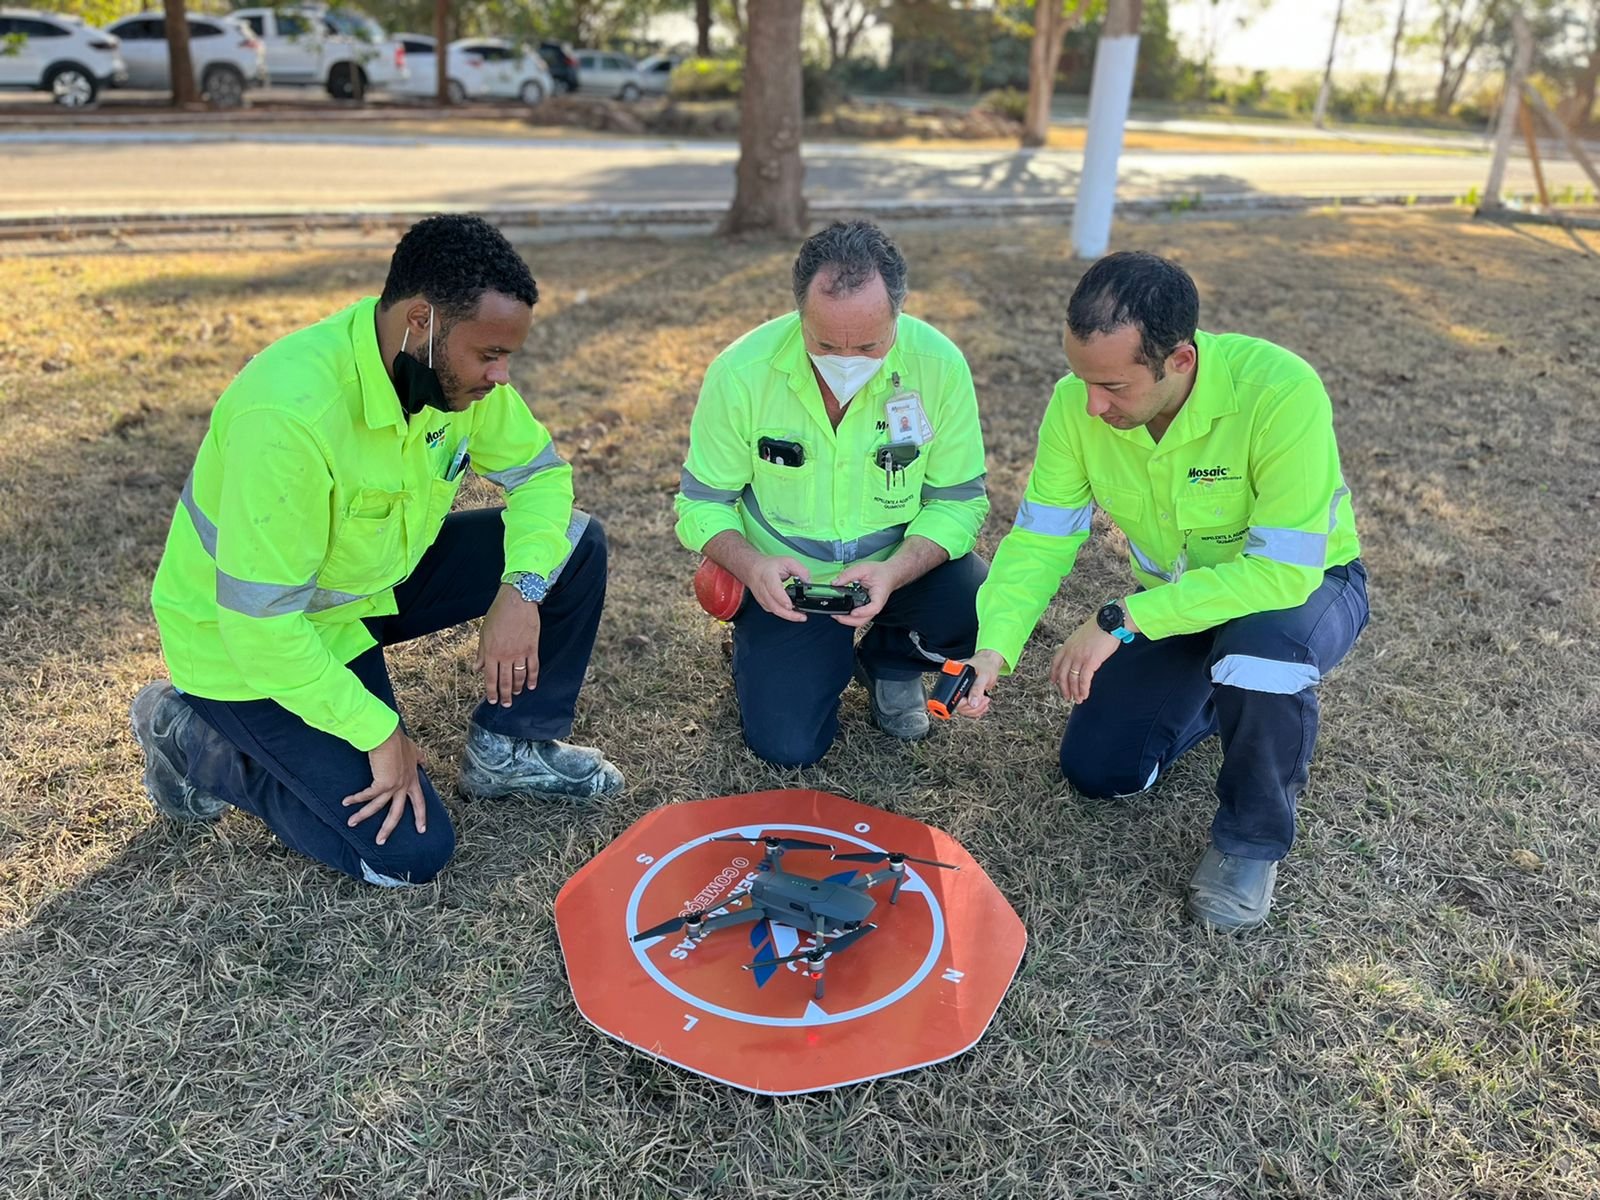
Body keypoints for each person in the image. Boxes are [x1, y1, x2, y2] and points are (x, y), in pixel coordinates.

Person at [131, 214, 623, 889]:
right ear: (422, 321)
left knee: (573, 544)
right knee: (406, 855)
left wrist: (522, 589)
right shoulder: (290, 415)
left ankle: (510, 747)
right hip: (248, 643)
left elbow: (541, 476)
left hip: (371, 584)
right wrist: (377, 731)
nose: (502, 375)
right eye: (489, 354)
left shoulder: (447, 374)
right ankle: (191, 736)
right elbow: (262, 629)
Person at [959, 251, 1368, 933]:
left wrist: (1121, 617)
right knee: (1099, 770)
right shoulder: (1076, 404)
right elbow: (1040, 540)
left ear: (1179, 360)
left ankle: (1249, 843)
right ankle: (1219, 697)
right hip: (1179, 604)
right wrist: (993, 648)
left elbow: (1282, 572)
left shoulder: (1280, 389)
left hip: (1300, 593)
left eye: (1113, 386)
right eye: (1082, 378)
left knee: (1260, 659)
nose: (1092, 404)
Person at [675, 220, 990, 766]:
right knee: (788, 747)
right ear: (799, 312)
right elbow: (702, 502)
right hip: (787, 584)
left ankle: (890, 663)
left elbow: (958, 501)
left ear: (899, 313)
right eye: (823, 343)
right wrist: (752, 567)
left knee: (979, 600)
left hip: (897, 568)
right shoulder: (741, 372)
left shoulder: (939, 366)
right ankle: (767, 643)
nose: (846, 360)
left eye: (869, 344)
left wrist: (894, 573)